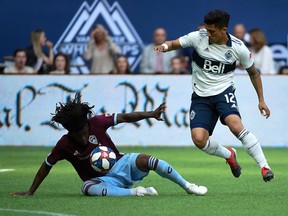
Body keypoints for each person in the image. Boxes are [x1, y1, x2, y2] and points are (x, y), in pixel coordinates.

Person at [154, 9, 274, 182]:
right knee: (199, 140)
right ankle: (229, 154)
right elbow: (173, 43)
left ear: (223, 30)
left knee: (235, 126)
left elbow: (254, 73)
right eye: (207, 30)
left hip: (223, 92)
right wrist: (165, 46)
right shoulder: (198, 37)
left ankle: (264, 167)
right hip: (201, 96)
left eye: (212, 31)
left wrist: (261, 100)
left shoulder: (238, 47)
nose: (208, 34)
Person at [12, 95, 207, 197]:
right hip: (102, 181)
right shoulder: (64, 144)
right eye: (77, 135)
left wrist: (150, 114)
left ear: (86, 125)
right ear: (69, 132)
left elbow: (124, 117)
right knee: (87, 188)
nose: (82, 138)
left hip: (122, 164)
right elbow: (47, 165)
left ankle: (188, 185)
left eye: (84, 133)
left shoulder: (96, 122)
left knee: (147, 159)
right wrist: (31, 191)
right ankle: (137, 193)